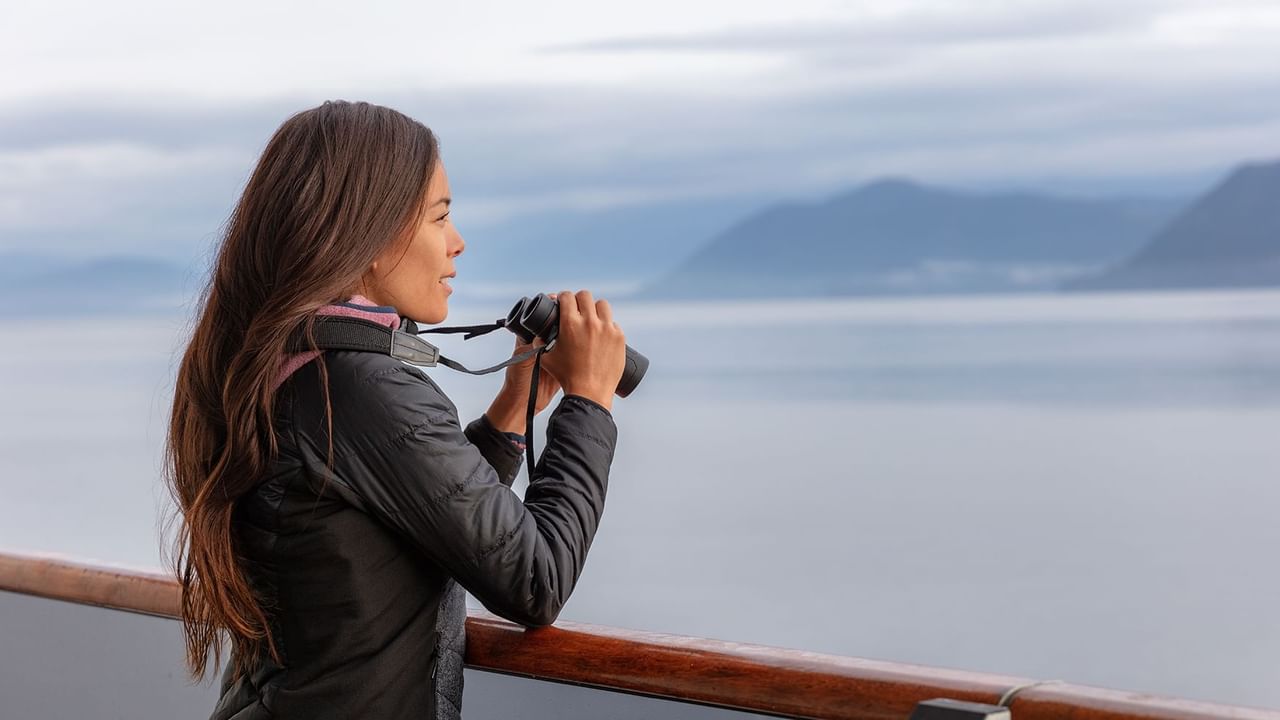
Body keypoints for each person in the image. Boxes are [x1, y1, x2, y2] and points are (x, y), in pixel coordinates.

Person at [163, 99, 627, 720]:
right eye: (440, 218)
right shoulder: (358, 385)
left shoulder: (290, 362)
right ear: (371, 237)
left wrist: (516, 406)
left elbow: (430, 510)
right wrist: (590, 404)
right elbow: (535, 579)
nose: (458, 244)